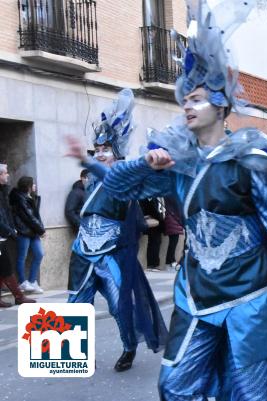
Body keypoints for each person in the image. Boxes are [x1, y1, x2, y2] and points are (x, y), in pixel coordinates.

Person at [68, 4, 267, 398]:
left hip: (252, 296)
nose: (187, 106)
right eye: (186, 100)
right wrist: (136, 161)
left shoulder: (249, 162)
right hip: (196, 293)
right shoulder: (178, 164)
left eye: (197, 99)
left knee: (252, 395)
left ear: (222, 106)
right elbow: (119, 184)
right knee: (174, 386)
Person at [64, 88, 167, 372]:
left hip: (112, 254)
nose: (100, 154)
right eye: (96, 151)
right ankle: (72, 353)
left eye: (105, 150)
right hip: (84, 251)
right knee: (75, 306)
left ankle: (129, 346)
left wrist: (87, 163)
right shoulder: (90, 183)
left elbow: (112, 178)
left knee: (120, 307)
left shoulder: (122, 178)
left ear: (116, 153)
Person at [0, 164, 35, 307]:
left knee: (4, 266)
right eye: (6, 173)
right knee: (6, 266)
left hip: (3, 234)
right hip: (1, 234)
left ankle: (18, 297)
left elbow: (5, 213)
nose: (8, 175)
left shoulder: (3, 191)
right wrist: (9, 231)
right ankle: (19, 297)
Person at [9, 176, 45, 294]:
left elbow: (36, 216)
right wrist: (41, 230)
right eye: (33, 184)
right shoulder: (20, 198)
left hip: (33, 231)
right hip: (24, 231)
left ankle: (32, 281)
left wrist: (40, 229)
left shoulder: (31, 197)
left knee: (39, 254)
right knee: (22, 256)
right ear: (28, 186)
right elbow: (29, 217)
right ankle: (22, 282)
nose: (35, 186)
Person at [140, 197, 166, 270]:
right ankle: (152, 264)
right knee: (154, 243)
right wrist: (160, 220)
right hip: (153, 224)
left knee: (154, 243)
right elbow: (154, 211)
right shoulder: (146, 199)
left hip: (154, 224)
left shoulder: (154, 199)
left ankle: (152, 264)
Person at [164, 196, 183, 269]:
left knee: (173, 243)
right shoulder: (172, 197)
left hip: (173, 220)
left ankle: (171, 261)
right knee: (173, 243)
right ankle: (170, 261)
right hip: (173, 220)